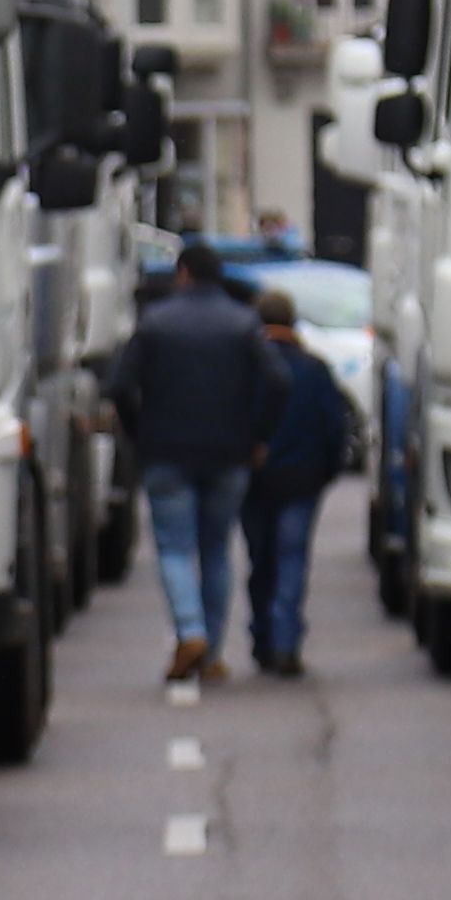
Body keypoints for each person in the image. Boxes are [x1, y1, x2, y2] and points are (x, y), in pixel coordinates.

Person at [111, 252, 289, 681]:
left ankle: (190, 633)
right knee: (215, 550)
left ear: (183, 273)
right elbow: (280, 380)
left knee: (174, 548)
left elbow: (119, 385)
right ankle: (211, 653)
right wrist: (259, 436)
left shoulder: (155, 322)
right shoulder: (243, 323)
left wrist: (139, 432)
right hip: (229, 453)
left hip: (166, 451)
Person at [243, 291, 357, 675]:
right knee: (291, 558)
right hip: (302, 478)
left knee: (261, 559)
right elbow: (335, 427)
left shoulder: (249, 367)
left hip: (257, 478)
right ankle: (285, 641)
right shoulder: (315, 369)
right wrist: (327, 470)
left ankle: (261, 635)